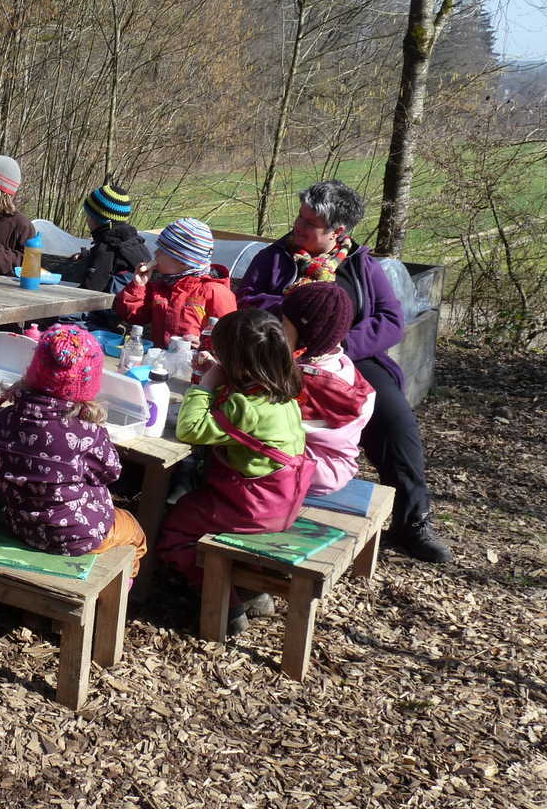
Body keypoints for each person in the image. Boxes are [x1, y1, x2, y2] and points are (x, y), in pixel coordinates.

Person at [237, 179, 454, 562]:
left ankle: (412, 519)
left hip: (350, 358)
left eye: (310, 223)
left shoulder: (360, 265)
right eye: (300, 217)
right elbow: (249, 302)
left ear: (337, 231)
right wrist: (293, 317)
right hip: (278, 355)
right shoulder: (274, 259)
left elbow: (390, 320)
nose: (298, 226)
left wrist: (339, 345)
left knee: (396, 419)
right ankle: (259, 502)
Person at [154, 308, 310, 635]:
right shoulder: (283, 397)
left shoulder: (244, 407)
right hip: (283, 505)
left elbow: (190, 429)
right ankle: (255, 592)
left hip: (250, 509)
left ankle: (226, 600)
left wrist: (207, 384)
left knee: (176, 527)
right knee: (198, 503)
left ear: (236, 362)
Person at [0, 325, 148, 579]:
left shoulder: (1, 420)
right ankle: (123, 590)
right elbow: (112, 472)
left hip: (19, 525)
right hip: (81, 535)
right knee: (134, 533)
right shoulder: (86, 434)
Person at [280, 282, 376, 496]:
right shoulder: (340, 364)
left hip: (307, 471)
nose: (279, 330)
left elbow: (256, 415)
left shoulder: (303, 381)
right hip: (336, 467)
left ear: (307, 334)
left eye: (284, 325)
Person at [113, 217, 237, 347]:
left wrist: (203, 345)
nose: (155, 253)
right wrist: (138, 286)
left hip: (197, 364)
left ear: (183, 261)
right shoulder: (161, 286)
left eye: (162, 251)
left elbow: (229, 340)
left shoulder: (216, 292)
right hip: (162, 362)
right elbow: (134, 317)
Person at [64, 183, 150, 294]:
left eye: (89, 216)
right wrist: (88, 255)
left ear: (100, 221)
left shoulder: (107, 249)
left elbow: (90, 290)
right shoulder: (134, 242)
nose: (87, 220)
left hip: (109, 309)